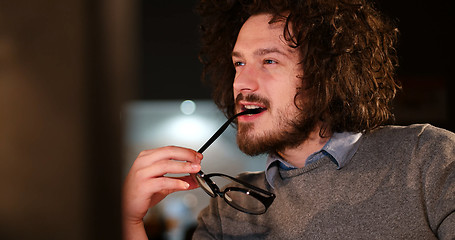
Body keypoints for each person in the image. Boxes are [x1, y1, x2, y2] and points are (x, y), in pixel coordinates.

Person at [122, 0, 455, 239]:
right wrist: (128, 221)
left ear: (326, 73)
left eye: (268, 60)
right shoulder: (229, 210)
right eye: (239, 64)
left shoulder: (428, 158)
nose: (243, 83)